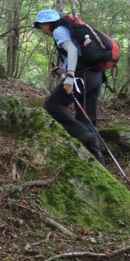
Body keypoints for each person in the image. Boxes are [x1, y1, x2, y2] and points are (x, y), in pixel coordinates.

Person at [33, 9, 106, 164]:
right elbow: (77, 53)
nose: (42, 30)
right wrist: (61, 70)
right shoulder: (69, 29)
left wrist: (70, 76)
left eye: (41, 26)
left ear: (48, 23)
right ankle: (99, 163)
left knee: (53, 105)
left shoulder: (59, 30)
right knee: (88, 121)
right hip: (95, 76)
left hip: (81, 76)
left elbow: (72, 51)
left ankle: (80, 132)